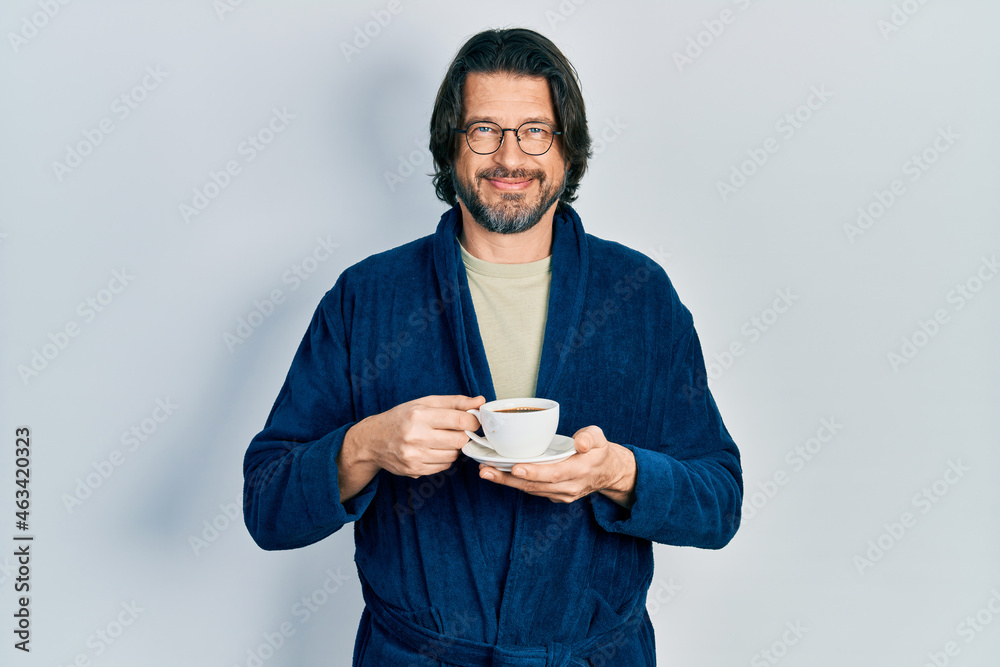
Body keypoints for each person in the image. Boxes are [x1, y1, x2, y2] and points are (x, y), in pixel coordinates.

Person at [243, 27, 743, 666]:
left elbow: (718, 504)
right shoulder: (367, 297)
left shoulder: (639, 296)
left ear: (568, 150)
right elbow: (268, 507)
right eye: (484, 130)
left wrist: (617, 472)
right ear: (450, 147)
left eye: (535, 131)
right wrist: (365, 446)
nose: (510, 156)